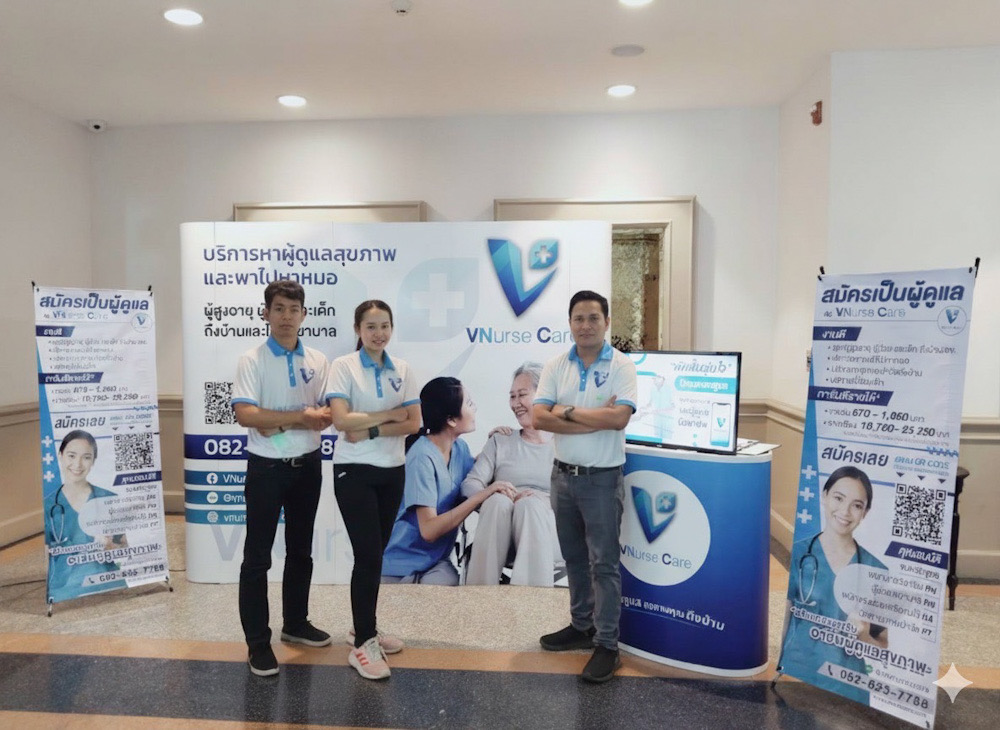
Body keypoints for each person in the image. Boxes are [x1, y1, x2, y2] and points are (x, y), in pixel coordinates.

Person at [532, 290, 637, 683]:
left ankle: (608, 645)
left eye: (594, 318)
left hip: (602, 479)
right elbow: (539, 418)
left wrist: (567, 411)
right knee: (574, 559)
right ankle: (581, 625)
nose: (586, 325)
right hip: (562, 477)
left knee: (604, 564)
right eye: (579, 318)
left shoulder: (622, 366)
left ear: (606, 322)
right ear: (570, 323)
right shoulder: (556, 365)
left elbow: (619, 419)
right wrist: (594, 417)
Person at [231, 280, 333, 677]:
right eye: (278, 309)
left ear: (304, 315)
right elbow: (247, 415)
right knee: (257, 558)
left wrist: (277, 420)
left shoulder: (319, 360)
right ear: (266, 314)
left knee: (301, 550)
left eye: (293, 309)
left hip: (308, 465)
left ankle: (295, 623)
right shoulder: (252, 360)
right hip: (267, 468)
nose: (286, 317)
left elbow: (327, 414)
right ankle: (258, 643)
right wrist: (299, 416)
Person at [325, 300, 422, 681]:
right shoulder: (343, 366)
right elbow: (340, 420)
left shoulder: (403, 369)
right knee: (367, 555)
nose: (379, 334)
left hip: (392, 471)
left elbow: (413, 423)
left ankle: (363, 626)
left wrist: (371, 429)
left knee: (375, 555)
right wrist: (389, 414)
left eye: (384, 326)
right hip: (354, 471)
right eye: (371, 327)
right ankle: (363, 644)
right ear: (358, 329)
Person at [382, 377, 513, 586]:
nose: (474, 408)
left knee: (449, 582)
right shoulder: (421, 457)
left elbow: (471, 477)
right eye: (469, 403)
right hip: (400, 566)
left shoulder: (460, 449)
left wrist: (495, 446)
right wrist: (482, 495)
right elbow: (429, 531)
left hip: (435, 562)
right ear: (451, 419)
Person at [778, 465, 889, 704]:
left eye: (856, 505)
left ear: (865, 512)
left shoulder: (876, 570)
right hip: (798, 672)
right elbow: (788, 614)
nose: (845, 511)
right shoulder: (801, 552)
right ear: (824, 495)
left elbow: (883, 646)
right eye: (838, 498)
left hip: (847, 684)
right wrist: (781, 663)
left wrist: (865, 638)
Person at [461, 362, 562, 586]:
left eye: (522, 395)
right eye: (512, 396)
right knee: (497, 501)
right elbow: (470, 484)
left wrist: (540, 501)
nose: (516, 404)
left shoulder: (566, 446)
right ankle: (478, 599)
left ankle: (529, 604)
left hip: (548, 536)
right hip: (499, 534)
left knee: (530, 505)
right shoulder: (501, 440)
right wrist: (492, 493)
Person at [43, 430, 127, 604]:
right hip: (64, 589)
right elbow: (47, 554)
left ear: (93, 461)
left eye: (86, 457)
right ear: (60, 456)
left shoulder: (108, 499)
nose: (78, 464)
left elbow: (125, 546)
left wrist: (111, 546)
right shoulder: (50, 505)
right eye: (71, 456)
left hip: (108, 583)